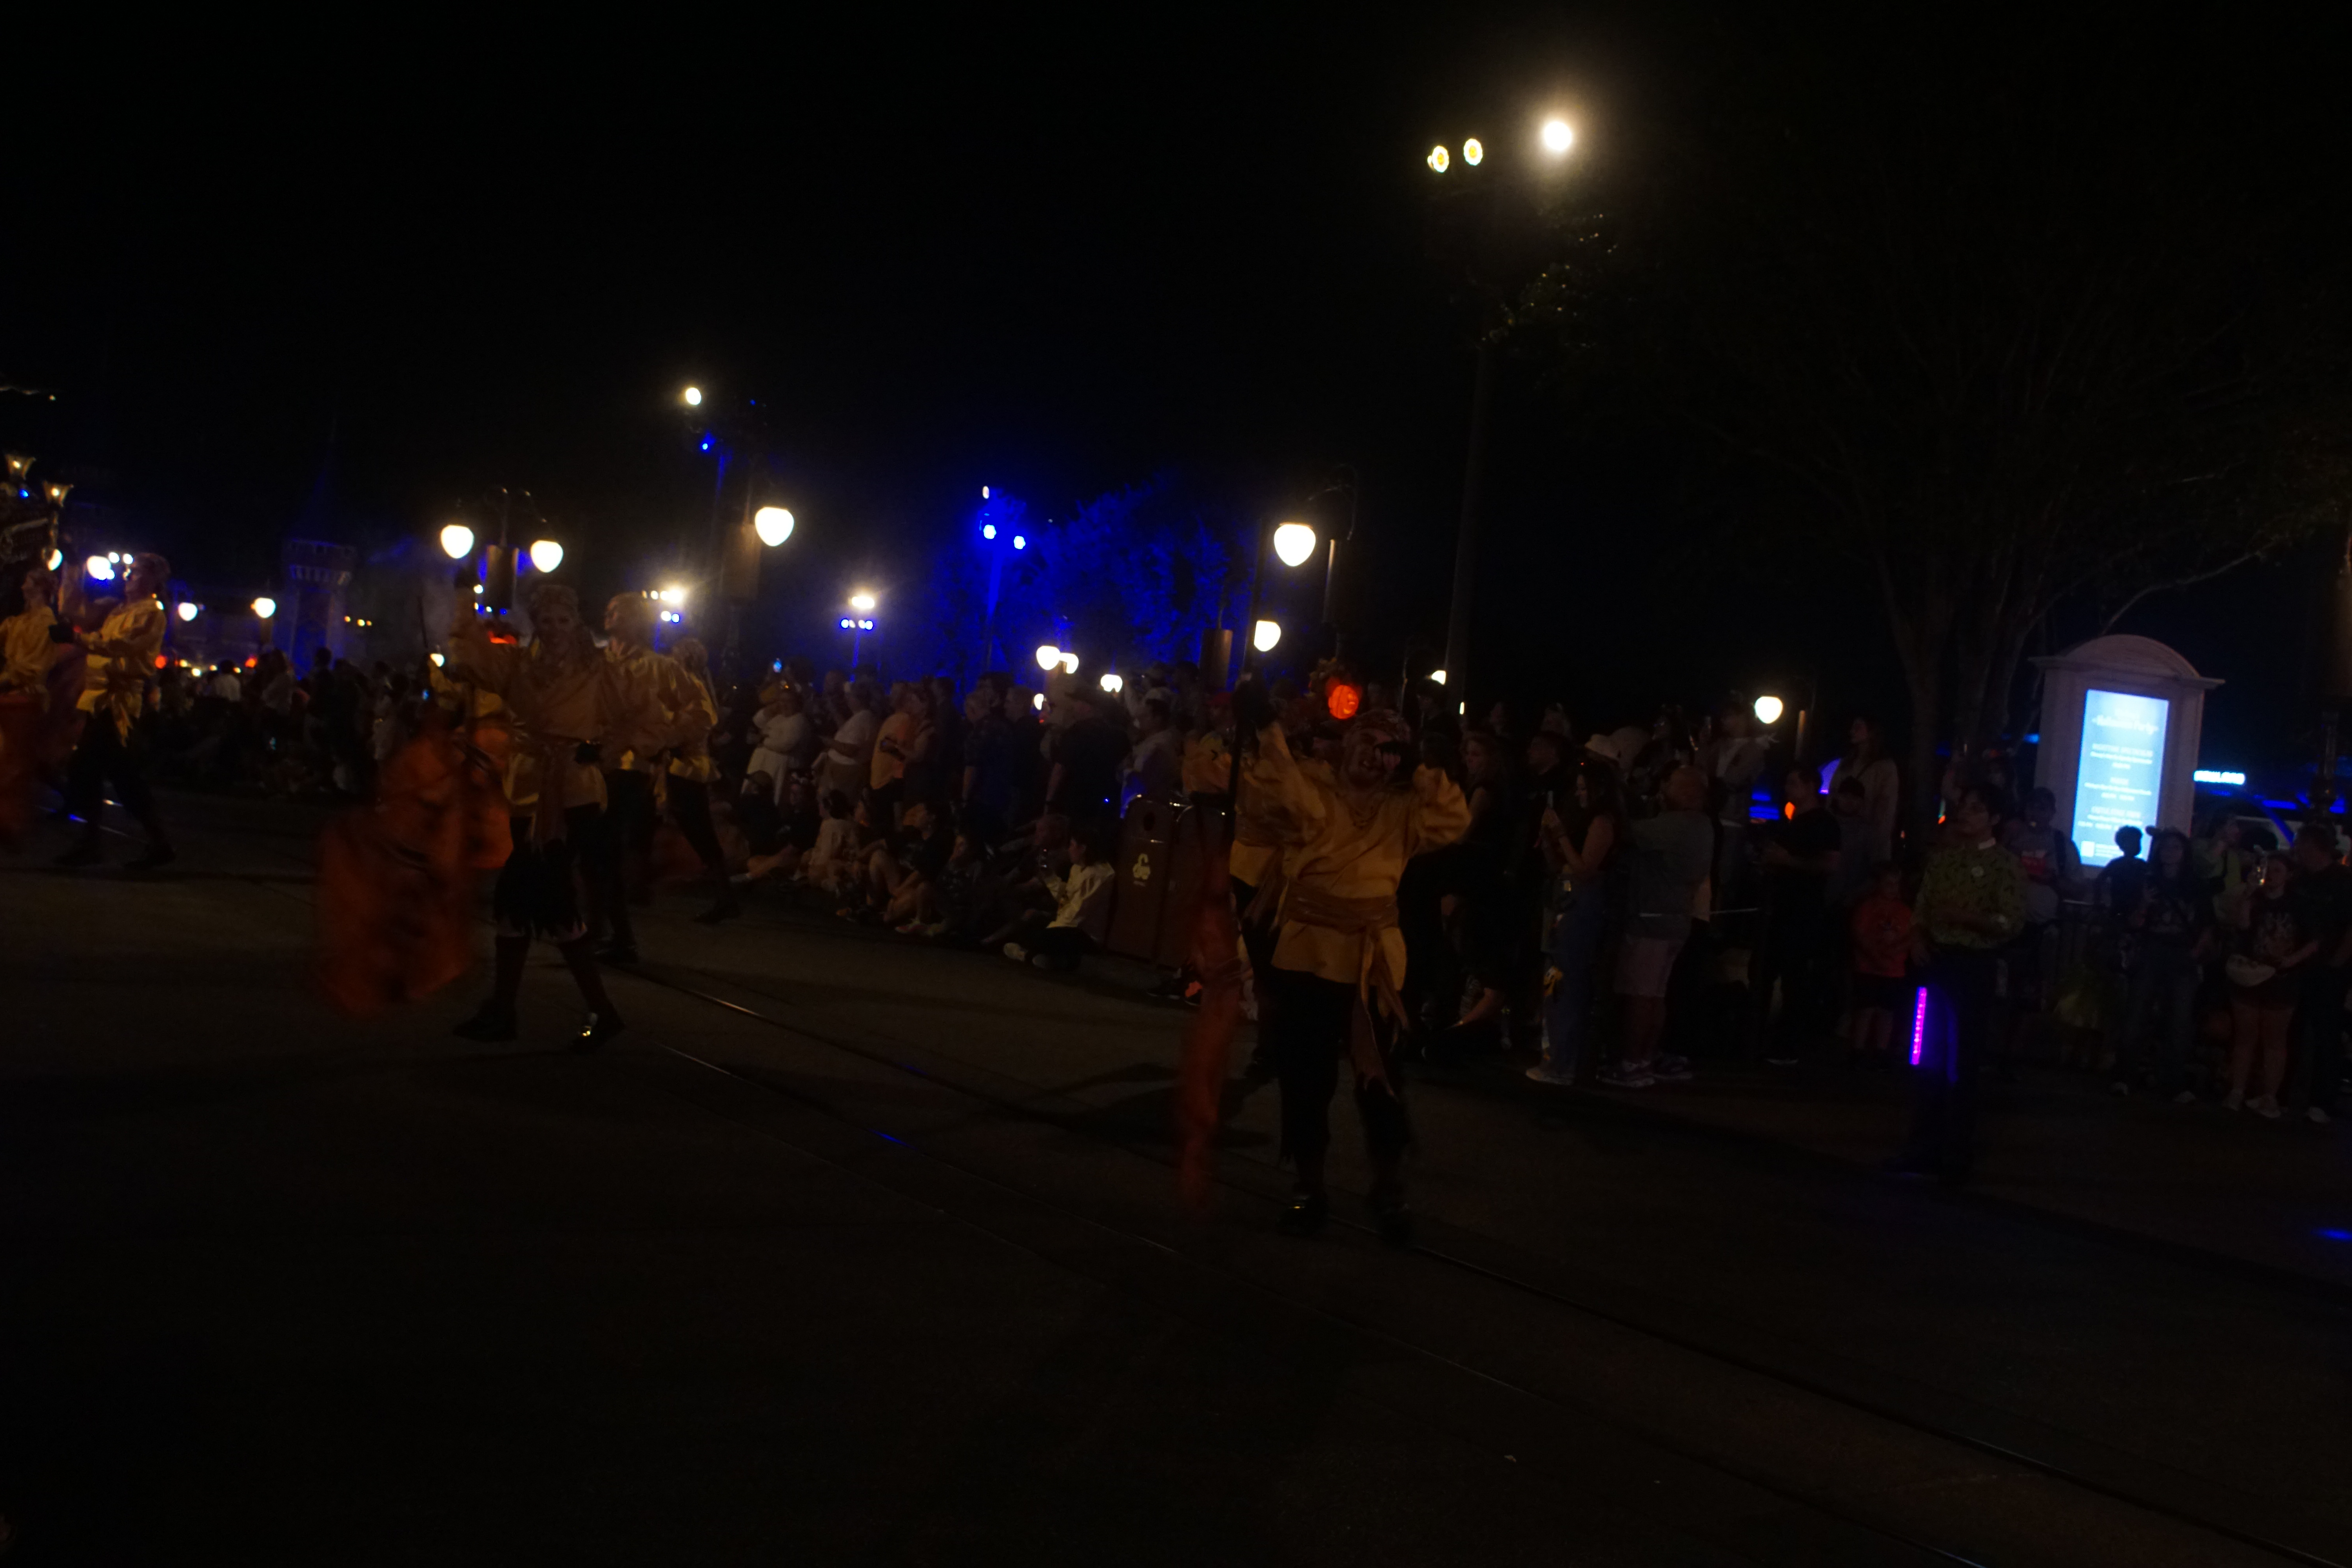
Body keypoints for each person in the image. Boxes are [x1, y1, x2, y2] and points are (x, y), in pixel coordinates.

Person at [1236, 702, 1469, 1242]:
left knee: (1381, 1080)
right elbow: (1279, 795)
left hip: (1373, 965)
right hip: (1308, 954)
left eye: (1387, 749)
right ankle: (1308, 1186)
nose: (1374, 755)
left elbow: (1452, 820)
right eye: (1367, 741)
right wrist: (1268, 728)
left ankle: (1388, 1189)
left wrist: (1419, 767)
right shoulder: (1316, 789)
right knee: (1306, 1076)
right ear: (1347, 743)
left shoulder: (1404, 810)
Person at [441, 581, 626, 1046]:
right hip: (526, 793)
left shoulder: (598, 668)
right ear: (537, 625)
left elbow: (634, 716)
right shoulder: (518, 665)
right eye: (547, 620)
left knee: (528, 900)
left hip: (573, 797)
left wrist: (601, 749)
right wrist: (465, 602)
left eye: (563, 620)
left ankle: (521, 1011)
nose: (556, 628)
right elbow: (470, 658)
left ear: (576, 622)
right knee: (536, 904)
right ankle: (557, 1010)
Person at [1890, 786, 2025, 1181]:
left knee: (1963, 1058)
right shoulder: (1944, 860)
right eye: (1964, 808)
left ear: (1994, 819)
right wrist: (1917, 938)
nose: (1966, 815)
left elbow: (2010, 922)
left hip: (1973, 964)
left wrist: (1966, 919)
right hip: (1937, 960)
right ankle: (1922, 1144)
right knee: (1927, 1054)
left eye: (1977, 809)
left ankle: (1956, 1149)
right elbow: (1923, 907)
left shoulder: (2004, 865)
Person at [55, 552, 174, 869]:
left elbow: (120, 645)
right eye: (130, 572)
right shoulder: (119, 610)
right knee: (112, 773)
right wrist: (71, 572)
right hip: (100, 700)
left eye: (137, 573)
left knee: (94, 770)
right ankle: (148, 842)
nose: (129, 577)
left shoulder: (151, 614)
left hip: (118, 704)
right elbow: (84, 621)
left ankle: (97, 842)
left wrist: (78, 639)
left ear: (154, 581)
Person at [1604, 763, 1713, 1088]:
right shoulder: (1704, 825)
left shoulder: (1675, 825)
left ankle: (1631, 1063)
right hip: (1677, 919)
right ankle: (1645, 1059)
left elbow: (1626, 832)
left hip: (1651, 920)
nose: (1664, 789)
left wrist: (1618, 799)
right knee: (1656, 995)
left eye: (1672, 784)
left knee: (1640, 996)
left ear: (1689, 791)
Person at [584, 595, 676, 965]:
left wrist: (649, 748)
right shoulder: (598, 659)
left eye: (617, 611)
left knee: (605, 851)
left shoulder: (655, 666)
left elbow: (670, 717)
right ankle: (598, 930)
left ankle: (618, 936)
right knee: (592, 852)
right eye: (608, 610)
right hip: (591, 765)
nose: (608, 614)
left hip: (627, 769)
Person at [1527, 757, 1623, 1084]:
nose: (1579, 795)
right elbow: (1561, 867)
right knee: (1555, 980)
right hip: (1566, 900)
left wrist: (1561, 834)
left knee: (1566, 981)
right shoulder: (1585, 820)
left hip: (1580, 905)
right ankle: (1554, 1057)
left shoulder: (1603, 822)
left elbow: (1584, 870)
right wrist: (1549, 840)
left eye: (1584, 789)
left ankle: (1563, 1062)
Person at [2114, 828, 2212, 1102]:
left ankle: (2172, 1081)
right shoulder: (2147, 882)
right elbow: (2133, 923)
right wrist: (2144, 904)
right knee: (2137, 1014)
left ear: (2185, 853)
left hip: (2181, 954)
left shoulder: (2195, 885)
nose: (2170, 852)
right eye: (2165, 847)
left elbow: (2208, 924)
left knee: (2179, 1020)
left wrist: (2195, 953)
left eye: (2175, 848)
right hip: (2152, 950)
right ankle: (2125, 1076)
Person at [1755, 766, 1844, 1066]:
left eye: (1793, 783)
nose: (1787, 788)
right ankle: (1761, 1037)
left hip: (1802, 910)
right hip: (1780, 908)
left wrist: (1787, 861)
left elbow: (1831, 865)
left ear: (1809, 787)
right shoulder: (1793, 821)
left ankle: (1788, 1044)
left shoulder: (1824, 823)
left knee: (1794, 977)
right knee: (1769, 971)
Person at [660, 638, 740, 925]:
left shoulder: (692, 687)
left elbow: (700, 723)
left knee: (699, 828)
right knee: (694, 827)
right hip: (682, 763)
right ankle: (722, 893)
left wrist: (669, 736)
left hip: (688, 766)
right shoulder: (687, 686)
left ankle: (725, 895)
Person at [2224, 853, 2311, 1117]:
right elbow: (2242, 925)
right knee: (2246, 1036)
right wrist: (2248, 895)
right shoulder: (2256, 900)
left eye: (2277, 871)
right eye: (2268, 870)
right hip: (2251, 973)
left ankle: (2269, 1095)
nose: (2271, 876)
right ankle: (2238, 1091)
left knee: (2274, 1039)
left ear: (2288, 875)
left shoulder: (2299, 904)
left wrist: (2292, 960)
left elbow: (2315, 939)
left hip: (2281, 978)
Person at [2284, 826, 2352, 1123]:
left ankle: (2321, 1098)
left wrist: (2338, 961)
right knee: (2296, 1028)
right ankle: (2293, 1093)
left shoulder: (2342, 881)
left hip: (2328, 966)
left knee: (2325, 1032)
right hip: (2301, 964)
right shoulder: (2301, 879)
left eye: (2301, 843)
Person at [0, 562, 60, 844]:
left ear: (39, 588)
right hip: (11, 696)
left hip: (26, 698)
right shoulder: (19, 621)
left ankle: (13, 826)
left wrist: (6, 679)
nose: (23, 587)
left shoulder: (46, 623)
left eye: (28, 582)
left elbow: (32, 667)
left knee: (16, 764)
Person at [1001, 830, 1114, 969]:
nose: (1069, 850)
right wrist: (1049, 875)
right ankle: (1044, 958)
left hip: (1083, 933)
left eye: (1072, 845)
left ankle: (1027, 955)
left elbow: (1077, 913)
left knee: (1043, 937)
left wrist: (1051, 927)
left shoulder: (1099, 875)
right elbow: (1066, 898)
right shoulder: (1078, 868)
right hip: (1067, 926)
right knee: (1029, 923)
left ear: (1083, 849)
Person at [1848, 863, 1913, 1067]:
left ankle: (1881, 1051)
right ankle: (1858, 1050)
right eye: (1888, 884)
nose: (1893, 889)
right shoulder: (1867, 908)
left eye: (1896, 884)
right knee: (1866, 1009)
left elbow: (1911, 936)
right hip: (1868, 968)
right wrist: (1876, 956)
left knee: (1887, 1011)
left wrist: (1893, 952)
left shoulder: (1904, 911)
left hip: (1893, 970)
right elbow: (1859, 934)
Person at [1829, 717, 1900, 861]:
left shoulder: (1885, 768)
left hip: (1867, 842)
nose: (1852, 732)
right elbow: (1832, 795)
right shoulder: (1846, 763)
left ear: (1872, 732)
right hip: (1841, 835)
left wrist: (1878, 845)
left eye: (1858, 727)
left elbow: (1886, 810)